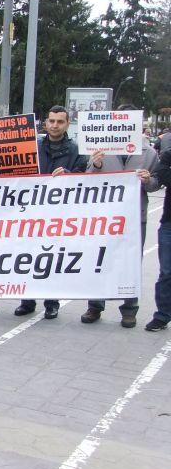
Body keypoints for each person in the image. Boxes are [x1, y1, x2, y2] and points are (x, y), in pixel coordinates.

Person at [81, 105, 159, 328]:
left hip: (136, 217)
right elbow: (88, 179)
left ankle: (129, 309)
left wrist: (148, 181)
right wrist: (95, 165)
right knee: (100, 259)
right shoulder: (100, 149)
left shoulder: (149, 152)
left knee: (131, 262)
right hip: (105, 218)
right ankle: (95, 306)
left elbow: (155, 184)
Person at [14, 105, 87, 320]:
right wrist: (4, 157)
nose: (55, 125)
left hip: (59, 213)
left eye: (60, 122)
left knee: (52, 258)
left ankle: (51, 302)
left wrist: (68, 175)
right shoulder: (33, 145)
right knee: (27, 257)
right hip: (32, 211)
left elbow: (84, 177)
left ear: (67, 124)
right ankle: (27, 300)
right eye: (51, 121)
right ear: (45, 122)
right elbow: (16, 172)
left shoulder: (75, 149)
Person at [146, 148, 171, 332]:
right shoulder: (169, 153)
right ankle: (162, 315)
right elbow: (161, 175)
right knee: (166, 272)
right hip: (169, 223)